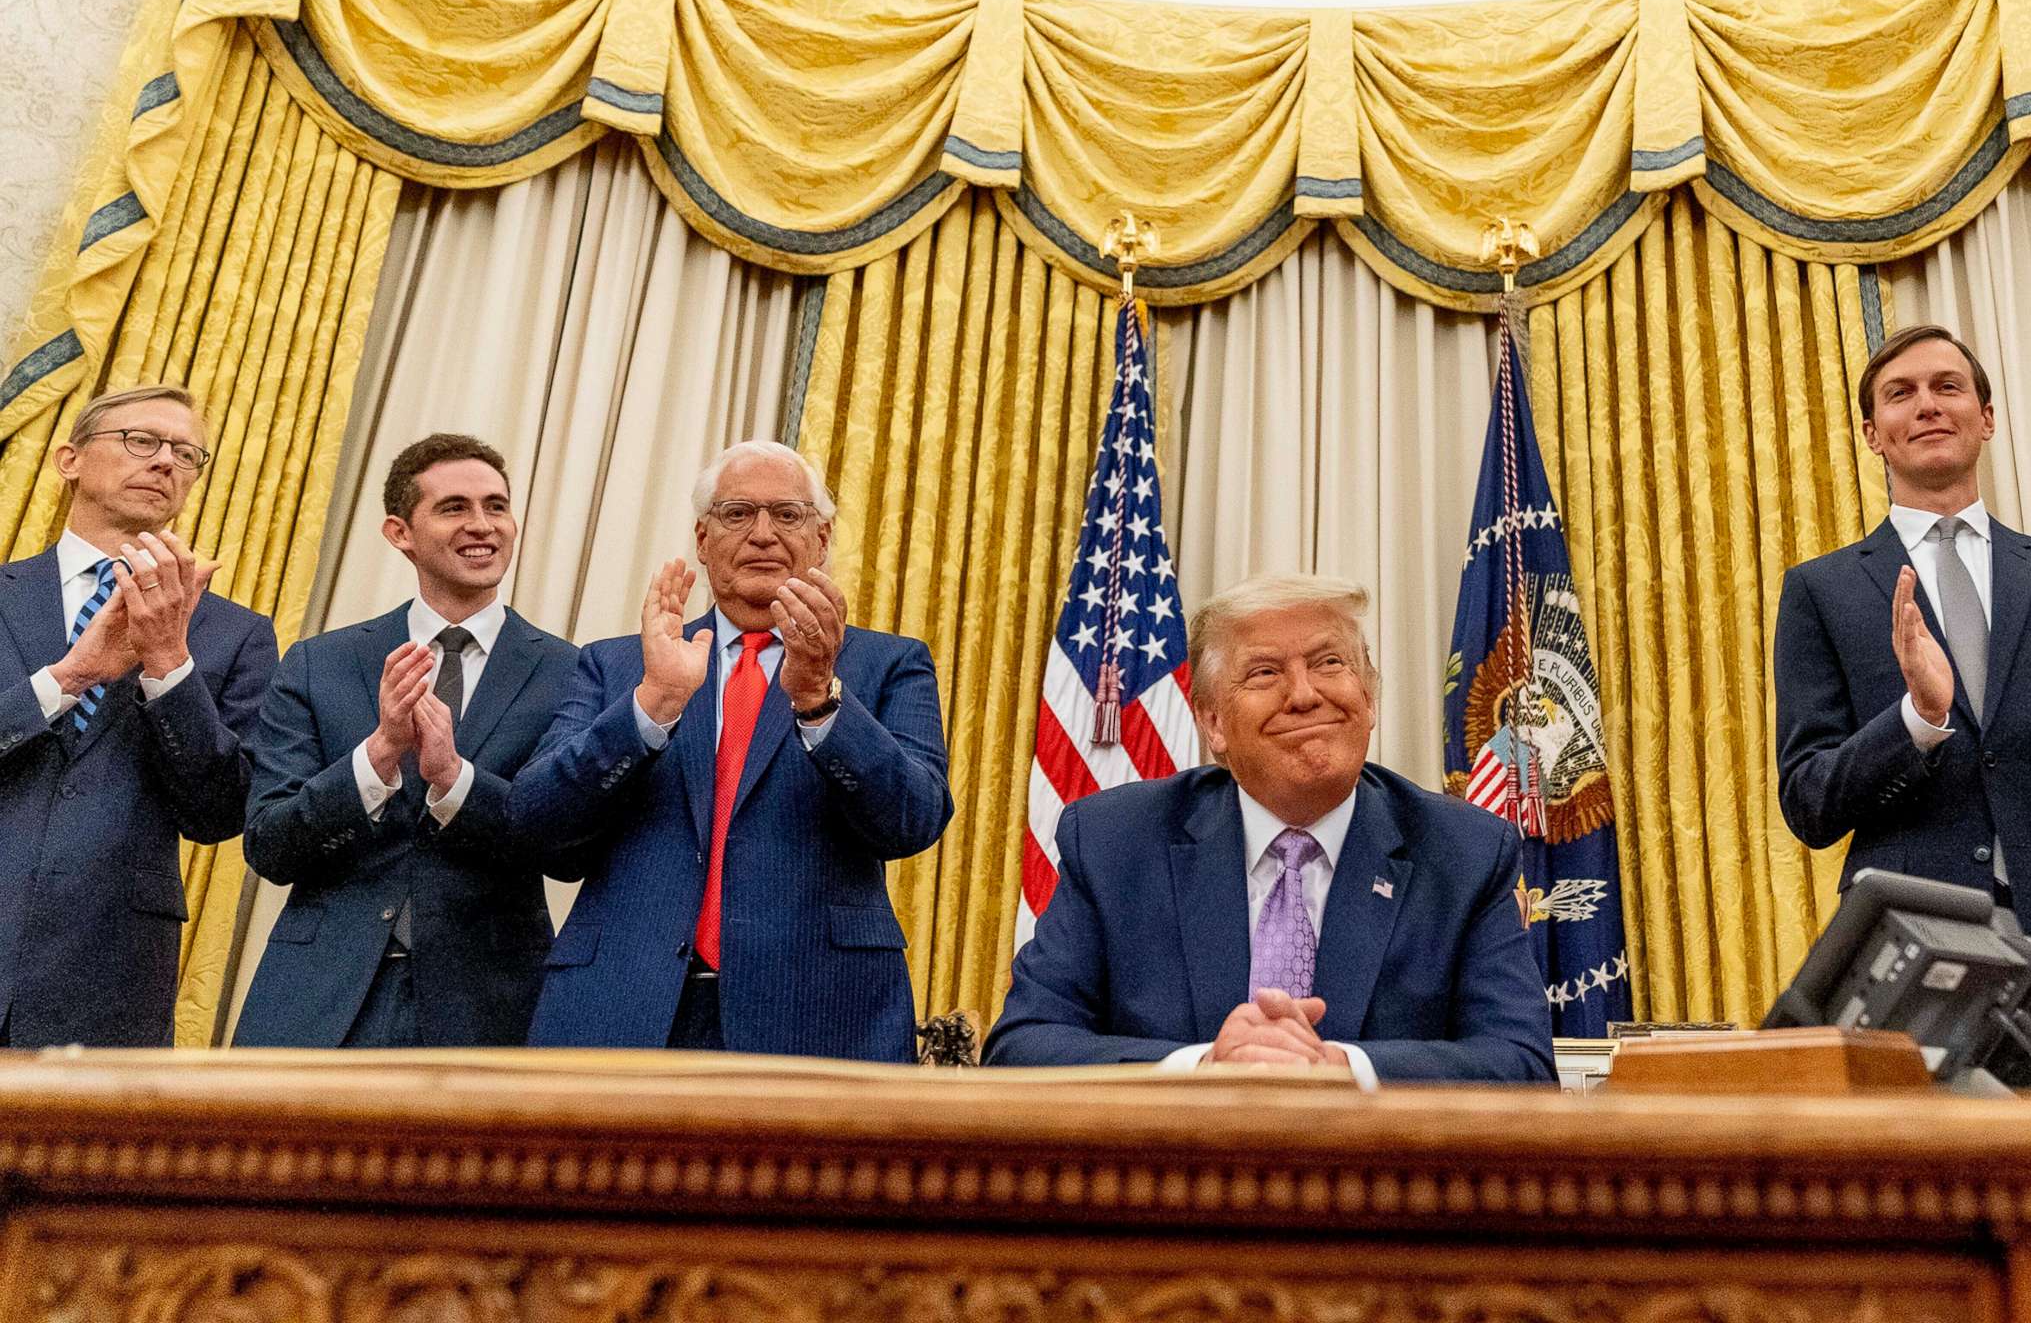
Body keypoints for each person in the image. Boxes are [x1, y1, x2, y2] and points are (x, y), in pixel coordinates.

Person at [986, 574, 1553, 1084]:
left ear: (1370, 696)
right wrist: (1204, 1068)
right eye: (1265, 673)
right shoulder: (1115, 842)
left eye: (1330, 663)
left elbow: (1521, 1065)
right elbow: (1021, 1048)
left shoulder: (1465, 852)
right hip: (1175, 1188)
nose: (1305, 695)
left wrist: (1339, 1067)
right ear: (1212, 722)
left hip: (1376, 1189)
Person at [511, 440, 951, 1061]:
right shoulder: (617, 665)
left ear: (822, 540)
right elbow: (537, 823)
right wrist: (652, 705)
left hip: (818, 1015)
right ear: (702, 537)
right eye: (738, 513)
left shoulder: (887, 664)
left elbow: (914, 820)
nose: (764, 534)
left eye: (788, 515)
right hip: (621, 1010)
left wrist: (821, 700)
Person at [1774, 325, 2031, 961]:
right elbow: (1810, 804)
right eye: (1900, 394)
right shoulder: (1819, 590)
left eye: (1948, 387)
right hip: (1909, 940)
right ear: (1872, 434)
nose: (1928, 405)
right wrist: (1918, 718)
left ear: (1986, 417)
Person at [234, 435, 578, 1048]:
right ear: (400, 533)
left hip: (489, 1008)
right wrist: (378, 755)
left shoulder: (570, 672)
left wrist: (454, 780)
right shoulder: (321, 663)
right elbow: (269, 846)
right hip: (320, 998)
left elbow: (562, 843)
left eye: (496, 506)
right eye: (454, 508)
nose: (483, 525)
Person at [0, 383, 276, 1046]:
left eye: (186, 453)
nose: (164, 463)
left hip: (104, 975)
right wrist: (70, 677)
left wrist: (168, 666)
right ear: (70, 460)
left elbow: (220, 813)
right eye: (141, 441)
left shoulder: (234, 633)